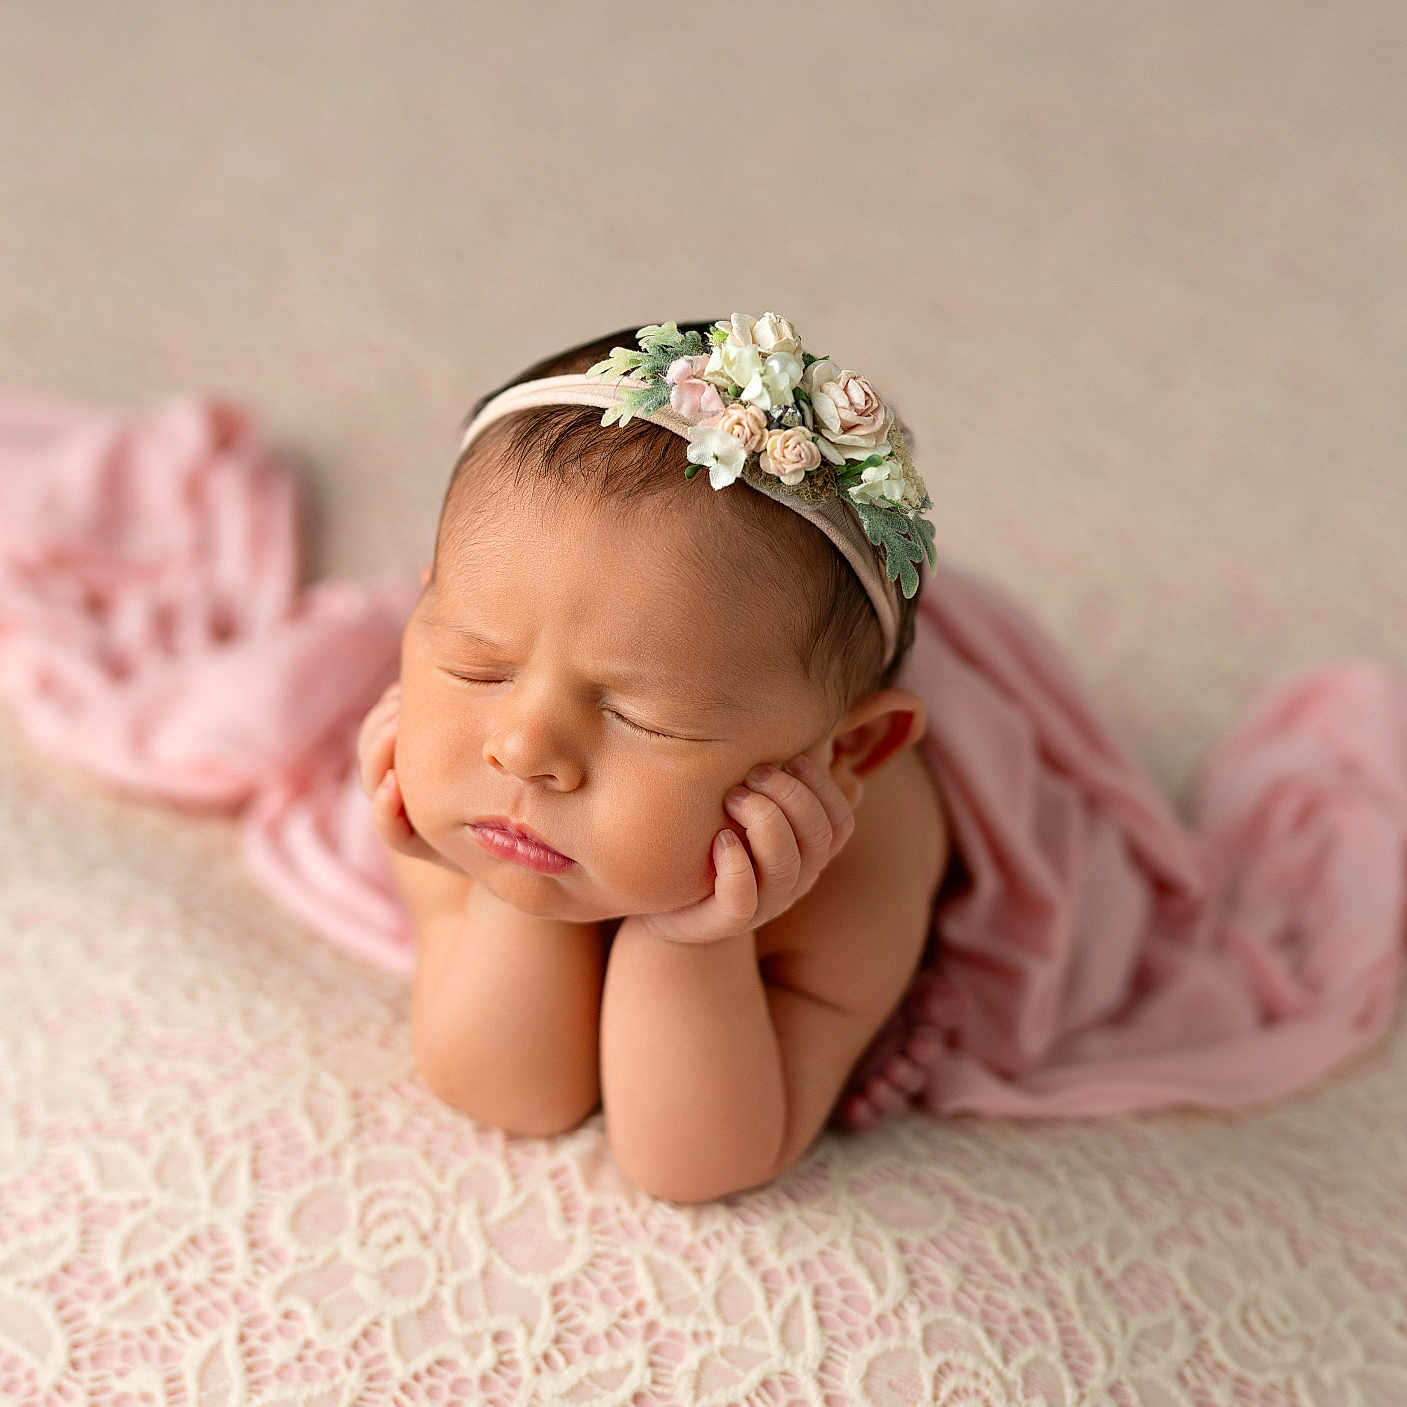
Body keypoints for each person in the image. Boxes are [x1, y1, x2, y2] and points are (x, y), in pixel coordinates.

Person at [353, 313, 954, 1201]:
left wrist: (695, 941)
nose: (520, 748)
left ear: (848, 751)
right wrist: (497, 886)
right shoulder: (450, 765)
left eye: (646, 719)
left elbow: (695, 1164)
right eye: (478, 665)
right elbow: (514, 1093)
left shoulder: (864, 866)